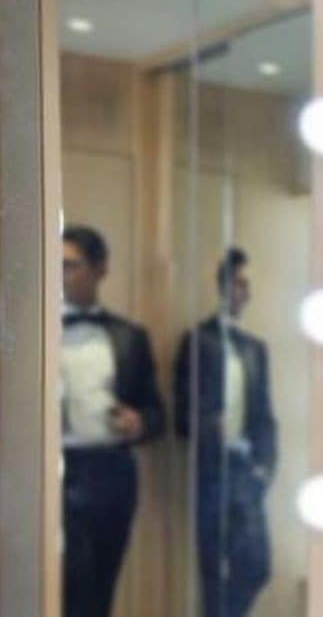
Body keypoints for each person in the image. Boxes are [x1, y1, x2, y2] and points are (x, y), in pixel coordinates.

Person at [59, 224, 165, 617]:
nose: (59, 275)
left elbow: (156, 412)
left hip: (108, 472)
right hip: (44, 471)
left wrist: (140, 423)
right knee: (49, 584)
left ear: (100, 269)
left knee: (98, 587)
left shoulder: (129, 337)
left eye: (70, 265)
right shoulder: (28, 334)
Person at [175, 247, 277, 617]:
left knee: (257, 564)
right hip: (211, 466)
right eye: (238, 284)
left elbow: (263, 411)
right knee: (213, 568)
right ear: (223, 286)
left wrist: (265, 465)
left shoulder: (255, 349)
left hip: (245, 466)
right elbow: (182, 410)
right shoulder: (198, 340)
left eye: (247, 285)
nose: (244, 293)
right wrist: (207, 426)